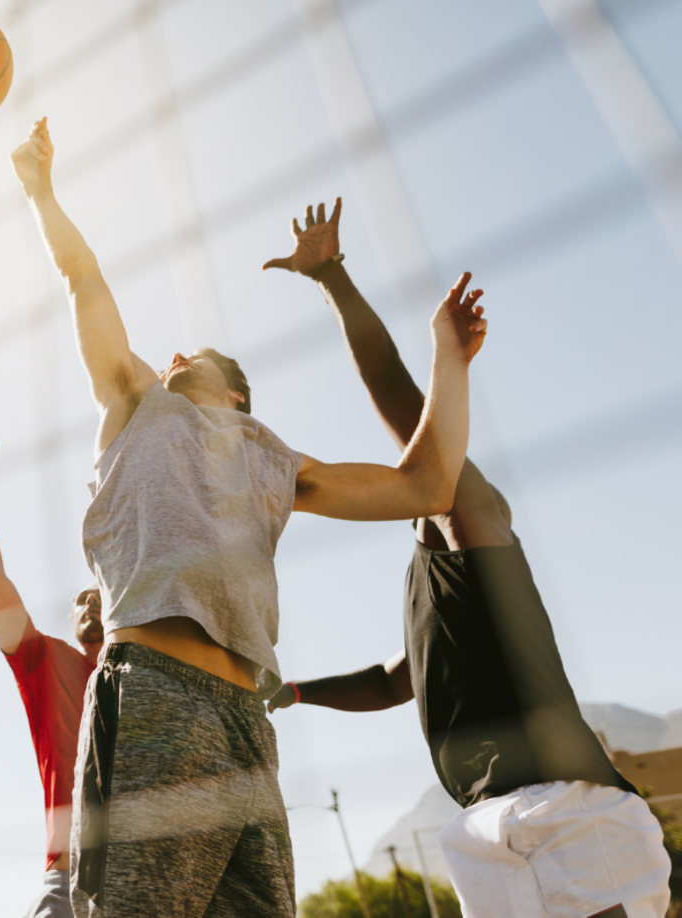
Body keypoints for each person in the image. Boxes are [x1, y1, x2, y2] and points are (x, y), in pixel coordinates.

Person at [10, 117, 487, 918]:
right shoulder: (139, 406)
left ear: (235, 391)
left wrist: (448, 358)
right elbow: (82, 279)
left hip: (246, 725)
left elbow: (429, 485)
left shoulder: (274, 460)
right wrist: (42, 192)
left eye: (187, 353)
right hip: (155, 693)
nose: (169, 357)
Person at [263, 200, 672, 918]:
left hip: (569, 810)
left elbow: (398, 395)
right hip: (488, 831)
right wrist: (294, 691)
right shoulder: (432, 585)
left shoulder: (476, 521)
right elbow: (395, 680)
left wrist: (334, 278)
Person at [0, 408, 104, 918]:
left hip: (159, 869)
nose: (89, 603)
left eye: (97, 593)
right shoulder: (44, 660)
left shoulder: (152, 663)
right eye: (79, 600)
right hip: (71, 873)